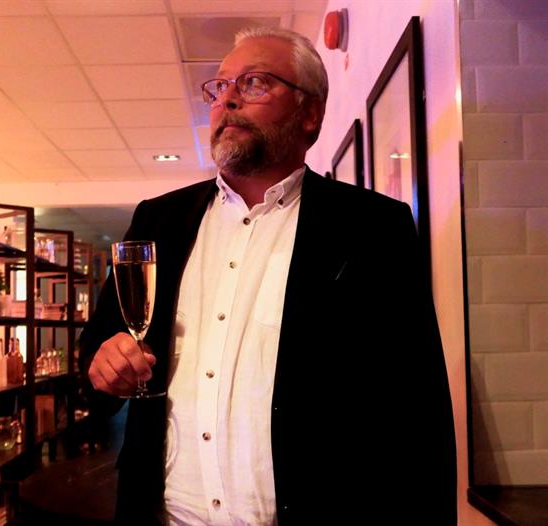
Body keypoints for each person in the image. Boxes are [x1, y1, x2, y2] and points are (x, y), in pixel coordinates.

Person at [80, 26, 456, 525]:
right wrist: (104, 367)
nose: (227, 100)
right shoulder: (158, 220)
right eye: (220, 86)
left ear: (309, 113)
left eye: (254, 83)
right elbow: (98, 349)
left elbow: (417, 406)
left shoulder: (373, 227)